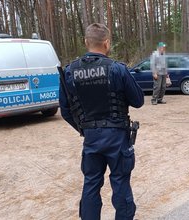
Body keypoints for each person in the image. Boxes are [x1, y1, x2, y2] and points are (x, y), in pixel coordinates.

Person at [59, 23, 144, 220]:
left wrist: (83, 129)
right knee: (120, 181)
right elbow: (138, 101)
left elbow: (65, 110)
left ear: (85, 42)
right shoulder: (117, 69)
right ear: (106, 43)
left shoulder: (70, 71)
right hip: (117, 137)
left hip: (90, 137)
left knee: (91, 182)